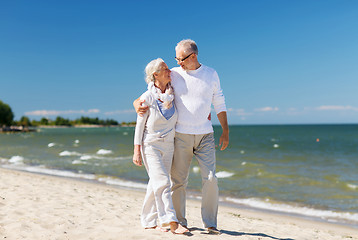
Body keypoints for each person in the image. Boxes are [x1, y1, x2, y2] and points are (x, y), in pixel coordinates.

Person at [134, 39, 229, 234]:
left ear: (192, 56)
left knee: (211, 179)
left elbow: (219, 102)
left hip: (205, 135)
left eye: (181, 59)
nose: (178, 63)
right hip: (180, 135)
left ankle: (210, 223)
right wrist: (136, 104)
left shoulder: (211, 74)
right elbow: (149, 91)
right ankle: (179, 220)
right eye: (175, 59)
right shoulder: (174, 74)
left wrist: (225, 131)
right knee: (178, 181)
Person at [132, 58, 188, 234]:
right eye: (165, 69)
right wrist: (137, 151)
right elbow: (139, 125)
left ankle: (148, 220)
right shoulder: (148, 97)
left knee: (155, 183)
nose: (169, 71)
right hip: (151, 146)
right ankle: (170, 221)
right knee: (163, 182)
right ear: (155, 75)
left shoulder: (173, 94)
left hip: (169, 146)